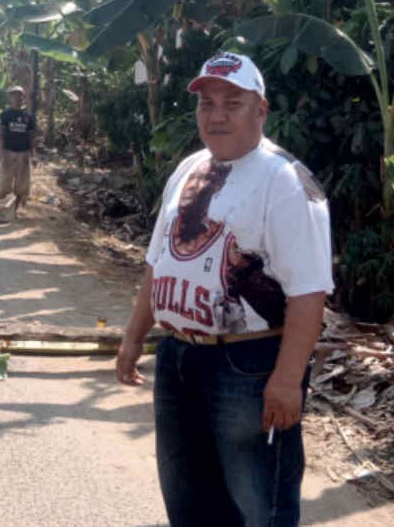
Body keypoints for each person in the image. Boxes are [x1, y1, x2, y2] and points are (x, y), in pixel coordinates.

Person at [115, 52, 333, 526]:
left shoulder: (285, 181)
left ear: (261, 110)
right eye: (206, 103)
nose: (216, 115)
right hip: (178, 355)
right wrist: (134, 337)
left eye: (232, 103)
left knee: (259, 503)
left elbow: (309, 292)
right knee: (188, 497)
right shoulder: (190, 169)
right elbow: (157, 261)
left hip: (247, 365)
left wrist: (286, 380)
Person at [0, 85, 35, 212]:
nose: (17, 98)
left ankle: (14, 211)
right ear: (10, 98)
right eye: (14, 95)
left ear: (23, 98)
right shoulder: (5, 115)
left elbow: (31, 137)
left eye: (20, 96)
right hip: (8, 152)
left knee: (22, 185)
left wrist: (33, 155)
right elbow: (1, 134)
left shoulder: (28, 117)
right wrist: (0, 152)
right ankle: (1, 210)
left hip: (23, 154)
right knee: (4, 184)